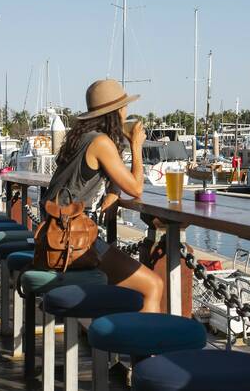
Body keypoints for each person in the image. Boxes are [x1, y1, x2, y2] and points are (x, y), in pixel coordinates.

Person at [44, 78, 163, 312]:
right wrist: (136, 145)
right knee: (153, 286)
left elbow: (111, 176)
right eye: (125, 107)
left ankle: (119, 339)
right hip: (72, 240)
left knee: (123, 282)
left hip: (55, 232)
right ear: (117, 111)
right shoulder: (101, 142)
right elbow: (136, 188)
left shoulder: (83, 138)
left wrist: (113, 192)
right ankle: (144, 348)